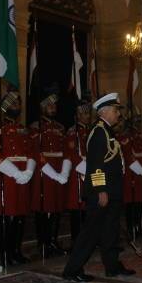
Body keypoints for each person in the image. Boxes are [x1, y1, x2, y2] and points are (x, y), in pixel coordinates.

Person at [63, 93, 136, 282]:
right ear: (105, 111)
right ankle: (72, 270)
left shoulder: (107, 131)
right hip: (102, 192)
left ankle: (112, 267)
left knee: (110, 232)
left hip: (112, 190)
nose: (118, 114)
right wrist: (100, 190)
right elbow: (95, 164)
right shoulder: (98, 132)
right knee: (91, 233)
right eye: (115, 110)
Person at [0, 90, 35, 266]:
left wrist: (29, 171)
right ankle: (4, 253)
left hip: (24, 176)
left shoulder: (24, 130)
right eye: (13, 103)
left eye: (18, 104)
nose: (17, 107)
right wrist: (16, 173)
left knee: (20, 216)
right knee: (8, 216)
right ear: (4, 107)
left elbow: (32, 152)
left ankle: (16, 251)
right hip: (8, 176)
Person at [30, 86, 70, 257]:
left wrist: (63, 172)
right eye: (49, 106)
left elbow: (66, 151)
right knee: (43, 209)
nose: (53, 108)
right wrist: (52, 172)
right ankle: (43, 243)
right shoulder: (35, 128)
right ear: (42, 107)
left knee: (56, 209)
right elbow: (35, 152)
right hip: (44, 174)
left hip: (59, 173)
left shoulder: (61, 128)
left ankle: (53, 241)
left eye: (54, 106)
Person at [64, 100, 91, 247]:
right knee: (77, 209)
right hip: (79, 174)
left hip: (90, 172)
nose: (88, 116)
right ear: (78, 115)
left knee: (90, 209)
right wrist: (87, 170)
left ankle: (89, 239)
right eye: (85, 113)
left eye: (88, 113)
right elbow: (72, 155)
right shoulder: (72, 132)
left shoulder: (90, 131)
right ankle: (77, 240)